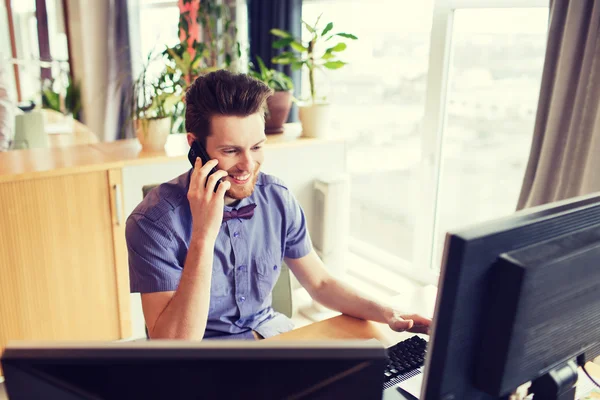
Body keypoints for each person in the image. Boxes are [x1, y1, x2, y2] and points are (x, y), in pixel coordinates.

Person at [126, 70, 431, 340]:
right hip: (204, 366)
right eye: (231, 150)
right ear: (195, 146)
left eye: (257, 147)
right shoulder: (153, 223)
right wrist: (204, 235)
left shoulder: (277, 197)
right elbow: (176, 346)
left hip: (275, 341)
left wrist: (388, 313)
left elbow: (321, 283)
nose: (248, 164)